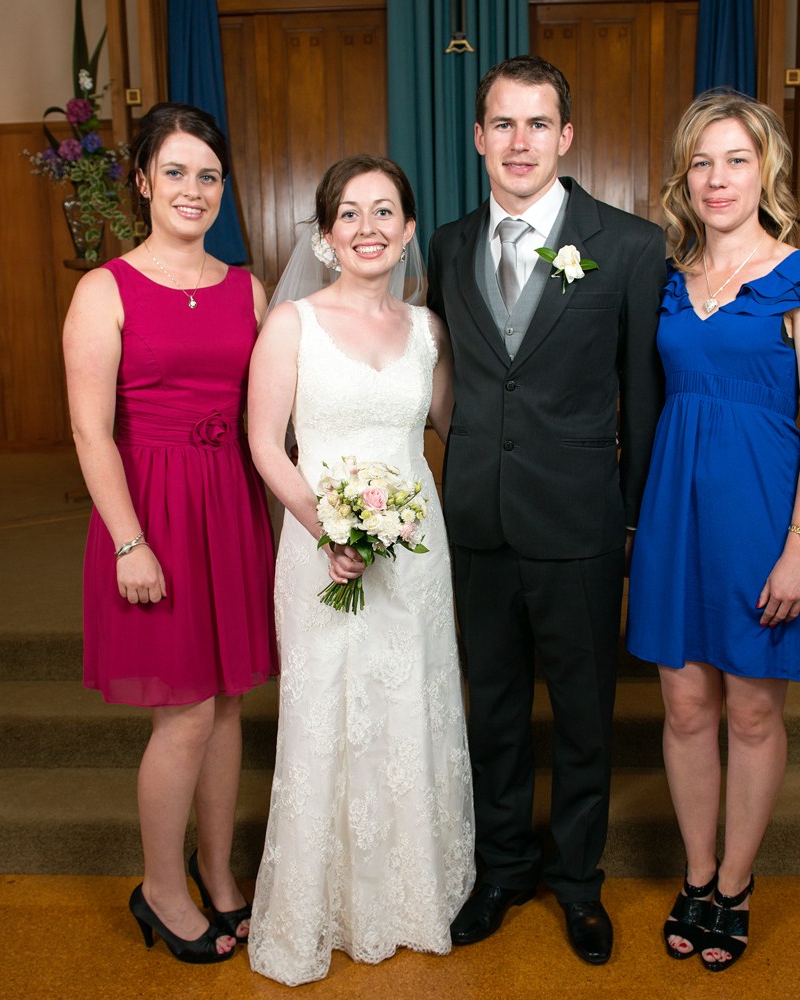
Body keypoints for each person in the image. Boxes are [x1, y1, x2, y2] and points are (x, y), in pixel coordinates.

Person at [426, 56, 668, 966]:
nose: (519, 142)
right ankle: (501, 870)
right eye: (503, 124)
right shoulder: (448, 245)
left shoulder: (630, 245)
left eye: (538, 124)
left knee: (582, 714)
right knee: (492, 710)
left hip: (580, 524)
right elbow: (450, 377)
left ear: (566, 136)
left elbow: (643, 399)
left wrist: (635, 524)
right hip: (478, 520)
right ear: (478, 137)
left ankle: (576, 881)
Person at [626, 89, 800, 973]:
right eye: (702, 162)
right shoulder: (667, 284)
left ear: (767, 171)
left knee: (753, 711)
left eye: (736, 160)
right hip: (674, 515)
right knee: (686, 708)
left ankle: (736, 883)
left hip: (763, 517)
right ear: (685, 178)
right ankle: (696, 875)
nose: (718, 178)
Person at [245, 155, 474, 986]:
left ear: (408, 231)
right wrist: (325, 528)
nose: (367, 227)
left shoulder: (429, 331)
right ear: (325, 234)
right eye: (349, 213)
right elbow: (266, 444)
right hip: (319, 548)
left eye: (384, 212)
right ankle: (323, 902)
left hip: (416, 550)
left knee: (411, 700)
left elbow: (456, 428)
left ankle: (412, 894)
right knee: (328, 708)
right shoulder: (291, 325)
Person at [64, 102, 276, 964]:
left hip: (229, 505)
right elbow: (89, 431)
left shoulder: (246, 289)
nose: (195, 189)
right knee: (183, 715)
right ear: (144, 181)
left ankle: (217, 874)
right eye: (177, 172)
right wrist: (129, 541)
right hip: (151, 513)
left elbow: (271, 413)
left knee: (226, 705)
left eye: (209, 175)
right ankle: (159, 888)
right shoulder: (104, 290)